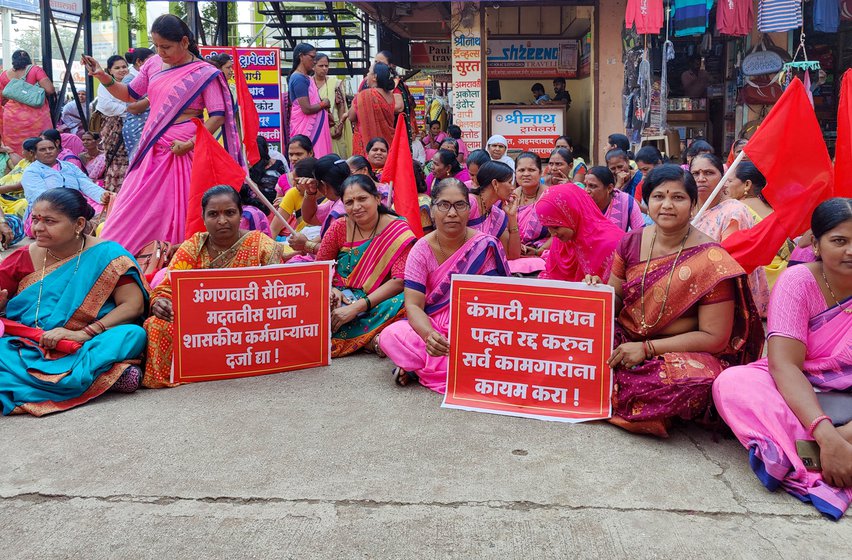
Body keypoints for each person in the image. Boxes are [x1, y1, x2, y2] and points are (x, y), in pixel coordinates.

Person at [589, 164, 764, 437]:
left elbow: (714, 337)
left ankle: (616, 399)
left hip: (678, 352)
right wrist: (596, 293)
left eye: (678, 198)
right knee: (580, 349)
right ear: (647, 203)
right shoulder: (630, 242)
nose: (667, 205)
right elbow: (617, 298)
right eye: (659, 197)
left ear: (693, 204)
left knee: (696, 382)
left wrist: (647, 349)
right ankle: (628, 405)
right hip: (627, 338)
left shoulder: (711, 260)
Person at [713, 198, 852, 519]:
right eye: (839, 241)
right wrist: (825, 432)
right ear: (815, 244)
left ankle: (807, 453)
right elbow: (784, 365)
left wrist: (840, 437)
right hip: (798, 390)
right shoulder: (797, 282)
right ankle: (821, 455)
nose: (849, 251)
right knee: (732, 383)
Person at [85, 14, 242, 255]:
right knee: (134, 203)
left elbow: (217, 115)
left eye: (166, 46)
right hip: (153, 144)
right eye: (156, 46)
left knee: (179, 206)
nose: (160, 52)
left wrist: (190, 144)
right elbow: (130, 95)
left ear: (184, 42)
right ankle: (119, 256)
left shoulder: (204, 73)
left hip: (184, 148)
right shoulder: (152, 64)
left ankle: (179, 258)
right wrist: (102, 76)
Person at [0, 189, 148, 414]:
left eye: (49, 221)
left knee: (132, 334)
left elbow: (132, 305)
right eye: (35, 219)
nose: (37, 228)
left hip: (84, 343)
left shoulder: (108, 254)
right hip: (27, 343)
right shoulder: (25, 256)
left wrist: (82, 334)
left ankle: (77, 378)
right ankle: (105, 376)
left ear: (78, 224)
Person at [142, 186, 284, 389]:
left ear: (240, 213)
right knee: (156, 325)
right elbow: (167, 287)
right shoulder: (193, 247)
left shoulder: (260, 244)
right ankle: (178, 374)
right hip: (202, 326)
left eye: (230, 213)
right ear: (203, 217)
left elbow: (281, 290)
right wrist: (160, 302)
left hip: (250, 325)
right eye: (213, 214)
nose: (222, 221)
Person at [379, 178, 510, 390]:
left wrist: (473, 332)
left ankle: (416, 367)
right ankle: (455, 367)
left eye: (460, 205)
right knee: (391, 335)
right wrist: (429, 336)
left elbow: (501, 303)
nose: (452, 213)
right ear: (431, 210)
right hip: (435, 326)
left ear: (469, 210)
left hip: (475, 329)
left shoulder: (486, 245)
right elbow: (413, 305)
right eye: (443, 205)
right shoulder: (421, 249)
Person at [316, 175, 416, 357]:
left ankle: (365, 339)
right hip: (340, 299)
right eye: (349, 202)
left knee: (408, 301)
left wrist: (357, 307)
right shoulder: (339, 227)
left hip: (378, 301)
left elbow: (399, 280)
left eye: (362, 199)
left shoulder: (398, 230)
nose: (356, 207)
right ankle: (371, 340)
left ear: (377, 198)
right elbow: (320, 268)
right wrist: (331, 290)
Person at [691, 153, 769, 317]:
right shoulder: (686, 209)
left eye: (709, 173)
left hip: (726, 303)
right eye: (695, 173)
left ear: (723, 178)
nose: (701, 178)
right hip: (692, 297)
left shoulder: (733, 211)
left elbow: (730, 262)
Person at [536, 181, 625, 282]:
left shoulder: (613, 244)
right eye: (548, 227)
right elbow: (550, 277)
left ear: (573, 214)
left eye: (556, 227)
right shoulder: (563, 240)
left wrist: (599, 287)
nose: (553, 234)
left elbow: (617, 292)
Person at [22, 137, 110, 236]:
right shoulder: (32, 171)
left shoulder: (69, 166)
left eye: (51, 148)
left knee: (108, 209)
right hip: (48, 210)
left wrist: (103, 195)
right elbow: (39, 198)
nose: (48, 152)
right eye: (42, 150)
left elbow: (87, 184)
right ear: (34, 153)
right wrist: (71, 206)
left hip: (78, 204)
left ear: (57, 150)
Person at [725, 162, 791, 288]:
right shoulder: (774, 208)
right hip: (783, 278)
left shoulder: (736, 210)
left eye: (730, 180)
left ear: (747, 184)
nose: (726, 185)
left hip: (755, 279)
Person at [289, 155, 351, 259]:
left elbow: (338, 251)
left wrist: (306, 244)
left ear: (324, 185)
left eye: (317, 184)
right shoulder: (337, 201)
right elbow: (311, 217)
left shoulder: (342, 208)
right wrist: (310, 192)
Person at [0, 50, 55, 156]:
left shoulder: (4, 75)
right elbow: (50, 90)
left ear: (13, 61)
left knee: (14, 149)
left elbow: (2, 98)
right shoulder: (35, 70)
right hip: (35, 117)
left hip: (12, 118)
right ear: (28, 60)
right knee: (39, 145)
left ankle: (18, 169)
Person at [288, 43, 333, 158]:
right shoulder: (299, 79)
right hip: (307, 128)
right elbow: (306, 109)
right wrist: (324, 104)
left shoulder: (305, 78)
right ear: (301, 56)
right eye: (312, 57)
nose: (314, 61)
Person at [471, 162, 520, 260]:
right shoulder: (470, 203)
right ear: (495, 183)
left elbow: (512, 255)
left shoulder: (497, 215)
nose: (513, 188)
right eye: (510, 182)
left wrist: (512, 217)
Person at [96, 55, 131, 192]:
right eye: (117, 68)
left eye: (124, 67)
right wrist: (129, 110)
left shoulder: (133, 82)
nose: (122, 70)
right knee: (116, 160)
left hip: (131, 125)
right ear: (110, 71)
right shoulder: (105, 84)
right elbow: (105, 105)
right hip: (113, 127)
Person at [512, 152, 549, 274]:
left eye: (531, 170)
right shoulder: (510, 197)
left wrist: (539, 250)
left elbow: (560, 235)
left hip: (544, 251)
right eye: (521, 170)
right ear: (515, 173)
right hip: (516, 251)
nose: (526, 174)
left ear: (541, 172)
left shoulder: (550, 196)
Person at [350, 63, 396, 157]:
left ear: (374, 77)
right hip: (387, 142)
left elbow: (351, 117)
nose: (367, 75)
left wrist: (355, 99)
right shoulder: (391, 95)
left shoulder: (364, 95)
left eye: (369, 72)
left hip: (366, 144)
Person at [314, 53, 352, 159]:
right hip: (315, 126)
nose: (324, 68)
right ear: (313, 66)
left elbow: (341, 106)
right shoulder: (308, 83)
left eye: (326, 66)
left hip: (332, 126)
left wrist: (340, 126)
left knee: (335, 157)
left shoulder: (335, 83)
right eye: (321, 66)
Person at [584, 166, 644, 232]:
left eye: (592, 186)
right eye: (585, 185)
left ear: (609, 188)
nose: (586, 191)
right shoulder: (581, 203)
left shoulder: (626, 202)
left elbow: (640, 233)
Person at [122, 47, 154, 159]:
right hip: (137, 127)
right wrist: (153, 97)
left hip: (149, 126)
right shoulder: (129, 79)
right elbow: (132, 108)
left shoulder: (150, 77)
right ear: (139, 62)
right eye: (151, 60)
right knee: (139, 164)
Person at [271, 157, 316, 235]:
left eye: (297, 182)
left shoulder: (329, 197)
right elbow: (274, 229)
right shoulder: (293, 193)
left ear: (310, 180)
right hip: (298, 243)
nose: (294, 185)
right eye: (293, 181)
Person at [0, 137, 37, 219]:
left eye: (23, 151)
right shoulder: (25, 161)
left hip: (13, 198)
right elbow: (10, 174)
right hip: (3, 194)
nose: (22, 153)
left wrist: (8, 151)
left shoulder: (36, 168)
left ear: (31, 153)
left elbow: (18, 186)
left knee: (24, 205)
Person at [249, 135, 287, 200]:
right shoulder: (278, 163)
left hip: (258, 206)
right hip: (277, 204)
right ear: (267, 148)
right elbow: (285, 185)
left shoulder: (249, 168)